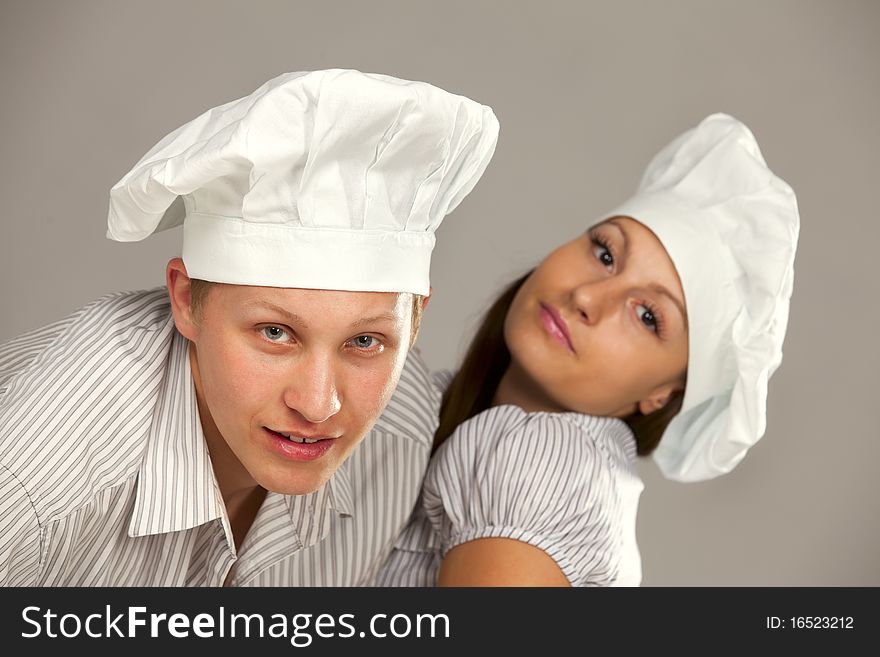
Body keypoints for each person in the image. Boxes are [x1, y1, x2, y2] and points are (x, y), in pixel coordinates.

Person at [0, 69, 499, 586]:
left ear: (415, 324)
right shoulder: (35, 488)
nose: (318, 404)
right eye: (275, 333)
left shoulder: (401, 429)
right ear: (187, 299)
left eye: (364, 341)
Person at [377, 113, 800, 586]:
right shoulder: (424, 408)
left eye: (647, 316)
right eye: (605, 254)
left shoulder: (542, 462)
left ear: (663, 394)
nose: (588, 298)